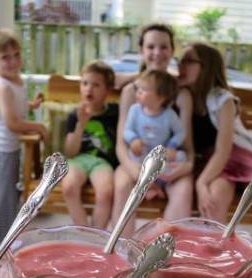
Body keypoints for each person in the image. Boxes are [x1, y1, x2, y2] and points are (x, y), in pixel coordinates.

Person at [177, 42, 252, 255]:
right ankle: (218, 265)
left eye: (188, 61)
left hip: (239, 157)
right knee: (213, 198)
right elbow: (144, 80)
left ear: (206, 67)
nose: (181, 65)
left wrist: (201, 182)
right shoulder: (182, 95)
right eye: (180, 60)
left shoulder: (223, 100)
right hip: (213, 165)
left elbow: (225, 149)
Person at [111, 23, 194, 235]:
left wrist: (185, 167)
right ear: (142, 51)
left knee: (184, 189)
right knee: (122, 185)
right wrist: (134, 170)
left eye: (163, 47)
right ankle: (123, 251)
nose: (157, 53)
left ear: (172, 51)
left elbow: (187, 145)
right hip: (136, 161)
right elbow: (122, 142)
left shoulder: (182, 94)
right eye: (151, 47)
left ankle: (162, 252)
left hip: (170, 163)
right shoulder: (132, 91)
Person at [0, 29, 48, 250]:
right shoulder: (2, 86)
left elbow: (16, 106)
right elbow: (12, 122)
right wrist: (38, 125)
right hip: (2, 152)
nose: (12, 61)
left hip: (11, 150)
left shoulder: (14, 80)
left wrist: (32, 105)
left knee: (9, 193)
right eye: (5, 57)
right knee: (5, 200)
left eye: (16, 55)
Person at [61, 60, 119, 228]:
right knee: (69, 187)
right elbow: (70, 152)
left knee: (106, 192)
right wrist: (81, 123)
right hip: (77, 160)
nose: (89, 88)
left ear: (108, 90)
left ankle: (97, 234)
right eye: (85, 83)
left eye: (96, 85)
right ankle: (84, 232)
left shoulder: (115, 112)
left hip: (103, 162)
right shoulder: (74, 115)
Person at [123, 69, 187, 199]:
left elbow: (180, 132)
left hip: (160, 155)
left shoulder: (169, 115)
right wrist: (134, 140)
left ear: (160, 97)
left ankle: (156, 185)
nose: (138, 92)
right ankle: (151, 187)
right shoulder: (135, 110)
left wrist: (172, 146)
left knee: (181, 157)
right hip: (142, 153)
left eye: (144, 90)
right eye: (138, 88)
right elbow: (127, 130)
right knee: (134, 160)